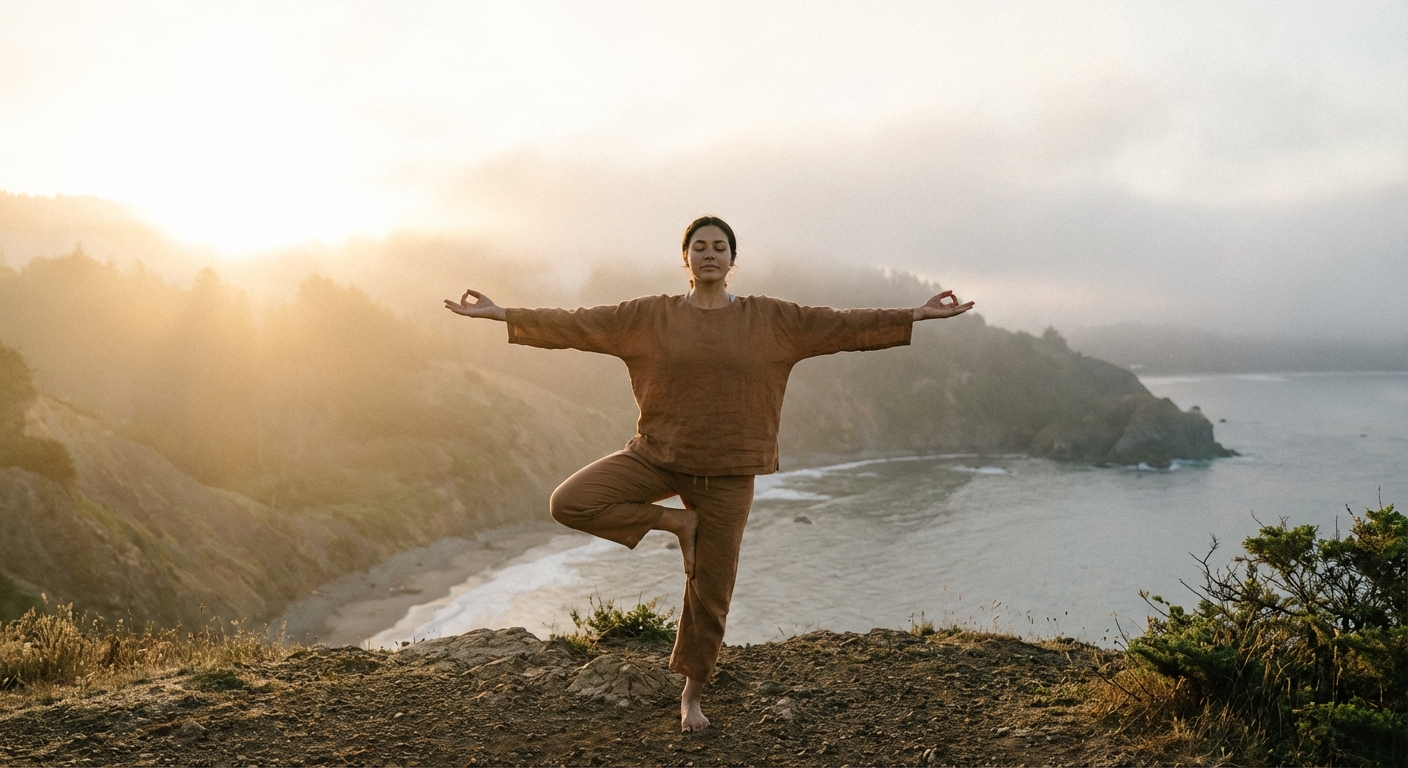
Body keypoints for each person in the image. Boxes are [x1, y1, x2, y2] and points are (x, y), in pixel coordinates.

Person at [444, 216, 974, 731]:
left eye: (720, 246)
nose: (710, 254)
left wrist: (916, 314)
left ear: (733, 259)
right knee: (570, 501)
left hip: (728, 471)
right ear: (686, 258)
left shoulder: (770, 319)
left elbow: (839, 324)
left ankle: (691, 695)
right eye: (700, 246)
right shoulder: (649, 316)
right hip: (658, 456)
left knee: (710, 592)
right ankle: (677, 525)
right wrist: (501, 314)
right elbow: (579, 322)